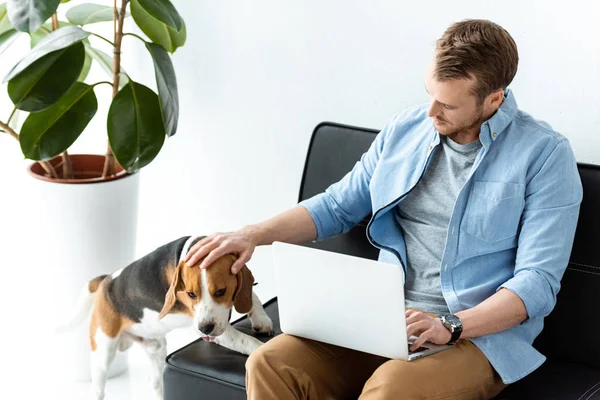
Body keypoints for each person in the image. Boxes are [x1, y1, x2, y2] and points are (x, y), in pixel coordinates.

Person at [184, 19, 583, 400]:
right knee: (270, 363)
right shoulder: (406, 130)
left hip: (476, 338)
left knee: (393, 388)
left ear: (494, 99)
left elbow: (536, 283)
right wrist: (252, 234)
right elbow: (338, 206)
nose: (430, 113)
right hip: (383, 321)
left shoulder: (544, 156)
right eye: (429, 94)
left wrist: (451, 325)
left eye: (447, 104)